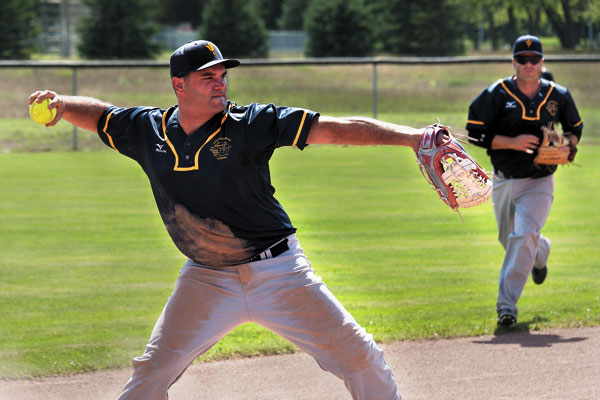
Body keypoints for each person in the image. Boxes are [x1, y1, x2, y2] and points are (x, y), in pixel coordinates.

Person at [28, 40, 426, 400]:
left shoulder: (252, 123)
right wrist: (62, 106)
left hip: (279, 271)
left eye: (222, 75)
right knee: (152, 373)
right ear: (178, 85)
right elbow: (102, 116)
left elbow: (335, 129)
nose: (220, 83)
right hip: (206, 278)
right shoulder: (146, 129)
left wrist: (412, 137)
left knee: (360, 357)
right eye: (208, 77)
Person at [466, 35, 583, 327]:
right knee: (512, 240)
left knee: (521, 236)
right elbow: (475, 132)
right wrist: (511, 141)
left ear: (542, 63)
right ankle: (541, 252)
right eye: (522, 59)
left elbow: (575, 128)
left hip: (539, 181)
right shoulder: (496, 94)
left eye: (534, 59)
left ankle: (506, 306)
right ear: (514, 62)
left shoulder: (558, 95)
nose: (528, 65)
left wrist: (567, 145)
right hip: (504, 180)